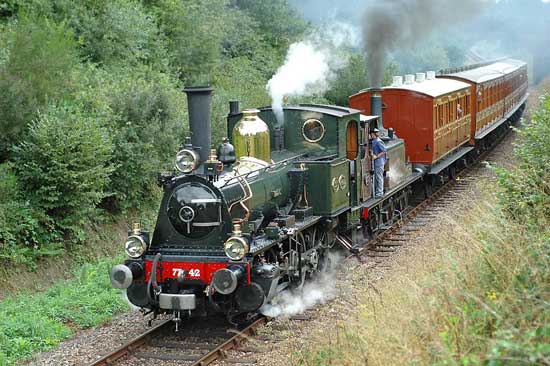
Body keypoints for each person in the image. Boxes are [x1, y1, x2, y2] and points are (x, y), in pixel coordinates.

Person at [370, 128, 386, 198]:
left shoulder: (379, 142)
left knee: (379, 177)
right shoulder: (374, 141)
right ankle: (377, 191)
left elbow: (383, 151)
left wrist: (376, 156)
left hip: (379, 162)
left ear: (373, 134)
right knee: (377, 177)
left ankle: (380, 193)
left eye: (371, 134)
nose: (370, 135)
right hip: (376, 162)